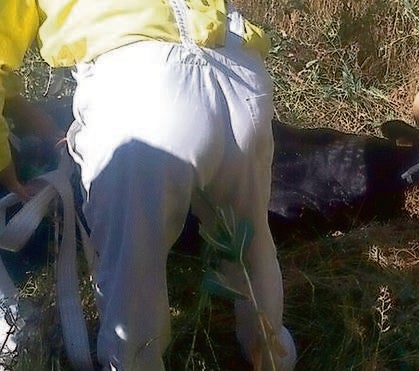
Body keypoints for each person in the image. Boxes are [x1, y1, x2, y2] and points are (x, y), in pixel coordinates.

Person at [0, 1, 296, 370]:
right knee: (250, 242)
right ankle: (271, 355)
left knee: (133, 270)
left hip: (139, 83)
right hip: (239, 70)